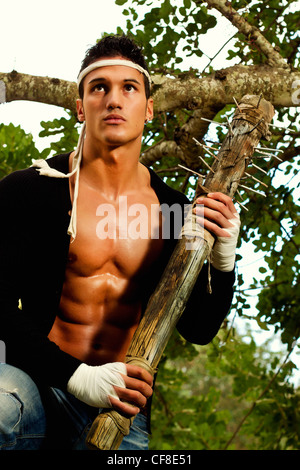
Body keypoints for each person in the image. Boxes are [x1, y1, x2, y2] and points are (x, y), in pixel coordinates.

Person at [0, 35, 240, 450]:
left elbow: (199, 329)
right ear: (80, 107)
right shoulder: (29, 190)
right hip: (33, 382)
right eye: (99, 88)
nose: (114, 99)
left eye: (129, 87)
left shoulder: (173, 213)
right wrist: (77, 376)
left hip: (117, 408)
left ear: (148, 108)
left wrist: (222, 262)